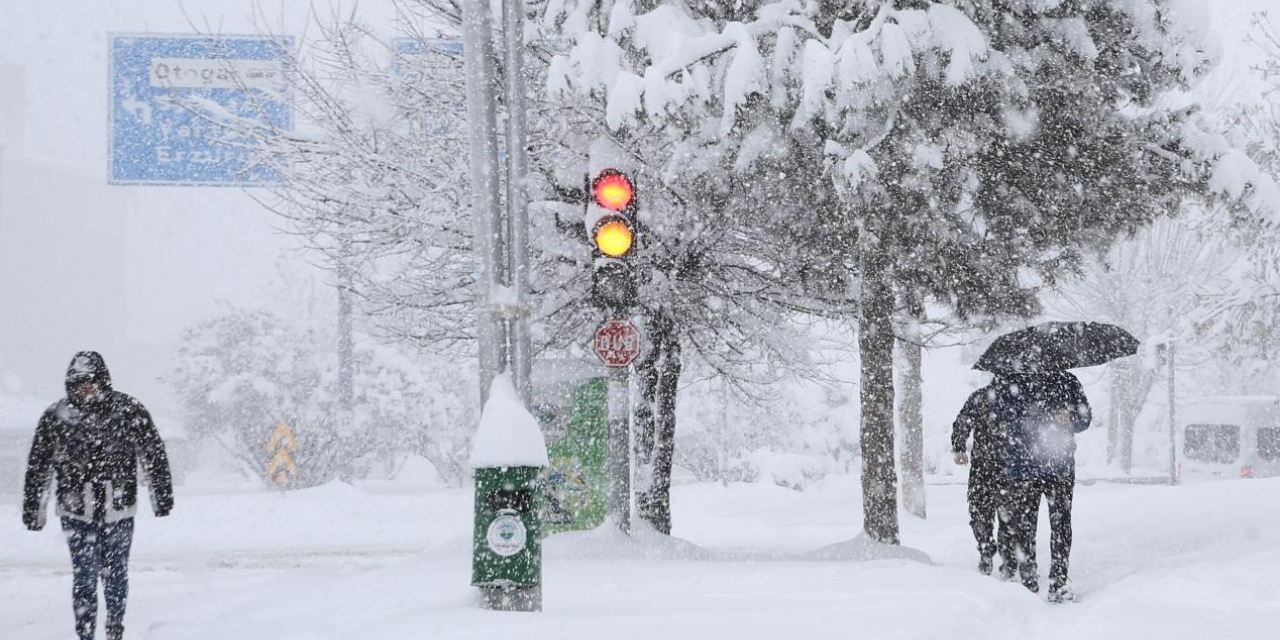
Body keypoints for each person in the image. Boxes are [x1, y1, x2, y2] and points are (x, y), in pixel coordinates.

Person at [22, 351, 174, 640]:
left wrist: (161, 495)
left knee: (116, 572)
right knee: (85, 576)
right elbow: (38, 466)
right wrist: (34, 509)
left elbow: (153, 454)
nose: (87, 389)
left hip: (119, 508)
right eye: (80, 384)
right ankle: (86, 632)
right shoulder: (57, 417)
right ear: (71, 385)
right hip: (75, 512)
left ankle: (115, 626)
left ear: (103, 382)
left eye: (92, 382)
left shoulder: (128, 410)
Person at [991, 370, 1091, 603]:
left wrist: (1071, 417)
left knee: (1061, 523)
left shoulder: (1067, 381)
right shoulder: (1013, 382)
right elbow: (998, 417)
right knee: (1025, 524)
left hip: (1060, 467)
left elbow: (1085, 419)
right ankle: (1028, 582)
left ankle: (1058, 582)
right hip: (1025, 467)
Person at [951, 382, 1017, 580]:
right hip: (1002, 467)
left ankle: (993, 553)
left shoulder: (983, 396)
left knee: (984, 514)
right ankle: (996, 555)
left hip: (993, 467)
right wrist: (960, 447)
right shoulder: (1013, 397)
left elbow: (962, 421)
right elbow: (963, 421)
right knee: (998, 515)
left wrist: (960, 446)